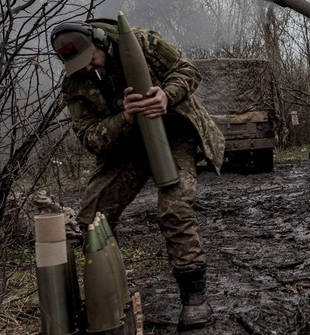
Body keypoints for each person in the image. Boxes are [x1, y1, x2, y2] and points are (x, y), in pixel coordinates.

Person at [51, 18, 225, 330]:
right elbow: (90, 137)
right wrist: (125, 117)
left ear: (100, 41)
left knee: (174, 206)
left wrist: (166, 96)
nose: (89, 70)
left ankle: (194, 297)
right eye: (80, 67)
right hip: (127, 144)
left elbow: (188, 70)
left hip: (172, 133)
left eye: (91, 60)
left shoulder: (143, 42)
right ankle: (107, 297)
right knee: (92, 215)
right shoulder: (73, 84)